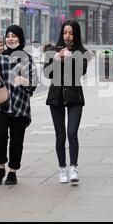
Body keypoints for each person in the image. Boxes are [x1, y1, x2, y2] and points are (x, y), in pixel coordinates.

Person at [0, 25, 38, 185]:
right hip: (0, 104)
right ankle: (0, 167)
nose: (10, 38)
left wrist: (25, 81)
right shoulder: (0, 56)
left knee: (16, 140)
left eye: (14, 36)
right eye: (7, 35)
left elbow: (34, 81)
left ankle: (12, 171)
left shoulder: (27, 57)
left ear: (20, 38)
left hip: (19, 105)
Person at [44, 20, 91, 185]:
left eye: (71, 33)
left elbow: (82, 71)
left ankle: (73, 168)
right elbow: (47, 74)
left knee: (72, 133)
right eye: (65, 33)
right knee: (60, 135)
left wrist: (71, 59)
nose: (67, 36)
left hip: (74, 97)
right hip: (56, 97)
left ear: (76, 34)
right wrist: (55, 60)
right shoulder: (52, 50)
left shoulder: (81, 52)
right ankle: (62, 168)